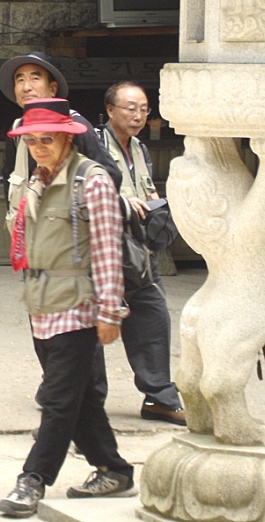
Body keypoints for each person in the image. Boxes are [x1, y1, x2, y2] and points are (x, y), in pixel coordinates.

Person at [0, 98, 134, 518]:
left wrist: (110, 311)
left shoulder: (92, 182)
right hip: (42, 304)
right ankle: (114, 469)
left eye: (47, 139)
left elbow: (108, 250)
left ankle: (32, 479)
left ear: (67, 139)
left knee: (57, 400)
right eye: (32, 141)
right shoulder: (38, 180)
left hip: (78, 306)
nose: (39, 147)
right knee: (81, 398)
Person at [99, 81, 185, 426]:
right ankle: (63, 396)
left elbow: (146, 192)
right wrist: (122, 202)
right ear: (110, 110)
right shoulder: (93, 145)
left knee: (153, 319)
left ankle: (159, 399)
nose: (138, 116)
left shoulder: (140, 149)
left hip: (140, 251)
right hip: (103, 250)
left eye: (144, 109)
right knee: (86, 328)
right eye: (130, 108)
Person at [0, 51, 121, 228]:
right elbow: (8, 176)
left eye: (35, 78)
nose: (26, 87)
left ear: (53, 88)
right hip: (30, 233)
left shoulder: (74, 127)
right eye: (20, 80)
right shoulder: (17, 130)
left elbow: (111, 175)